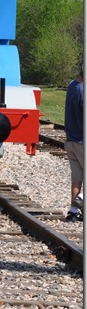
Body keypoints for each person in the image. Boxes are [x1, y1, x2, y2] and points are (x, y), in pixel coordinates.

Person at [64, 64, 83, 222]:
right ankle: (81, 199)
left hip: (71, 140)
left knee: (77, 178)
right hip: (82, 141)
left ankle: (73, 211)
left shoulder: (72, 86)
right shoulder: (83, 91)